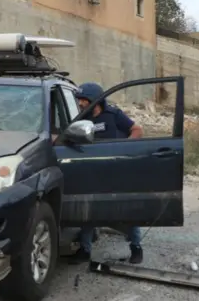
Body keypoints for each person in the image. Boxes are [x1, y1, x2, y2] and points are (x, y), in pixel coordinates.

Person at [69, 82, 145, 265]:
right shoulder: (82, 118)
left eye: (84, 100)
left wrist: (123, 149)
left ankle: (136, 247)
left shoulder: (114, 114)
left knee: (127, 210)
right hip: (94, 170)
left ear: (95, 100)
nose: (80, 103)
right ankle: (85, 249)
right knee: (89, 211)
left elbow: (137, 130)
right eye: (79, 100)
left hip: (116, 170)